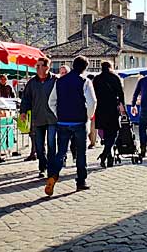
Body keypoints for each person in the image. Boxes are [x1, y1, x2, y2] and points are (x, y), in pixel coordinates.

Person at [46, 56, 96, 195]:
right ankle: (81, 181)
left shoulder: (59, 81)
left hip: (62, 122)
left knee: (61, 152)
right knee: (81, 152)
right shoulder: (85, 81)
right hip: (79, 121)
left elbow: (51, 101)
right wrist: (88, 116)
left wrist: (58, 114)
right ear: (85, 68)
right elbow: (92, 102)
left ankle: (53, 175)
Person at [20, 58, 58, 178]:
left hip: (52, 118)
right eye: (36, 66)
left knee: (52, 144)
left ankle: (51, 168)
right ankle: (43, 167)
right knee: (39, 145)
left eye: (39, 66)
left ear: (47, 67)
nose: (37, 68)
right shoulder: (32, 83)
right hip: (37, 118)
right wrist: (23, 112)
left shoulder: (55, 81)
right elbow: (26, 98)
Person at [91, 61, 124, 167]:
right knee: (114, 133)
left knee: (106, 134)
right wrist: (123, 107)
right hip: (112, 109)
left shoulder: (97, 79)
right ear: (111, 67)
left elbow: (93, 95)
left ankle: (109, 157)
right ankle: (105, 154)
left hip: (100, 109)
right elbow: (121, 93)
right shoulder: (115, 78)